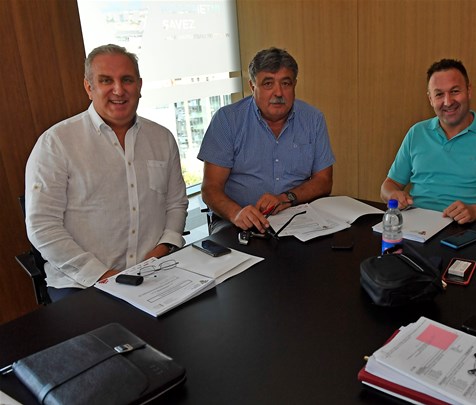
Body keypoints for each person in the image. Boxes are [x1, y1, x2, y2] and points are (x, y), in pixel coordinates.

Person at [25, 44, 188, 302]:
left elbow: (176, 203)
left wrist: (163, 248)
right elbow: (42, 226)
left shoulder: (162, 138)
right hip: (82, 283)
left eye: (127, 80)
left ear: (139, 85)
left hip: (154, 272)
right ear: (89, 87)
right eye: (106, 81)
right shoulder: (56, 143)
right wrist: (104, 275)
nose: (119, 90)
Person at [198, 47, 335, 234]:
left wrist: (285, 198)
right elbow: (210, 188)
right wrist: (236, 213)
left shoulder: (313, 119)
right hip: (236, 220)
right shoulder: (227, 120)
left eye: (285, 83)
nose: (278, 93)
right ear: (252, 86)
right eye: (268, 84)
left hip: (296, 216)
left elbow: (324, 181)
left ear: (294, 85)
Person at [380, 59, 476, 225]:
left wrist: (475, 212)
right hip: (416, 228)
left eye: (455, 91)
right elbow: (388, 186)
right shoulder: (416, 133)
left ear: (468, 91)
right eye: (439, 94)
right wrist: (392, 195)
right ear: (430, 99)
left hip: (467, 230)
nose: (448, 102)